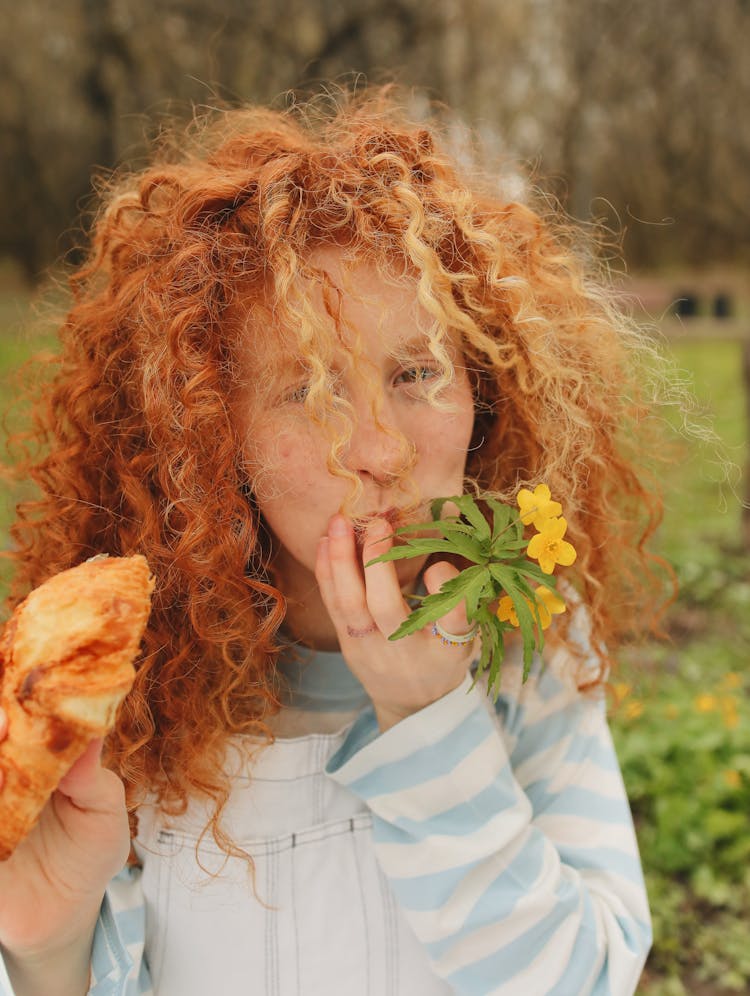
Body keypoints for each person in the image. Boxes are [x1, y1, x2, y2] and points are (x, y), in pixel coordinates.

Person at [0, 86, 667, 995]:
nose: (380, 452)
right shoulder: (121, 693)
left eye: (418, 372)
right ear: (209, 434)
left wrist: (431, 727)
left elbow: (589, 980)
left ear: (485, 392)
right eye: (306, 393)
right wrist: (47, 952)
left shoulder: (535, 651)